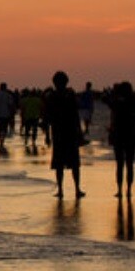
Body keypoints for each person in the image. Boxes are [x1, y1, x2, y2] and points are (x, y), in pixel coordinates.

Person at [45, 71, 85, 199]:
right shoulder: (70, 94)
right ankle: (77, 189)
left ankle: (61, 190)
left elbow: (48, 118)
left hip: (58, 133)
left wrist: (47, 135)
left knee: (59, 164)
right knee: (74, 163)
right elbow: (76, 114)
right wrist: (80, 132)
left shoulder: (51, 96)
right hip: (70, 132)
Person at [108, 81, 135, 197]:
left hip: (119, 136)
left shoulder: (117, 103)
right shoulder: (132, 102)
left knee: (119, 164)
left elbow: (107, 101)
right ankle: (128, 190)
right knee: (130, 164)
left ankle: (119, 190)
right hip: (131, 136)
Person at [0, 82, 16, 152]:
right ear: (5, 88)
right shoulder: (8, 95)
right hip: (6, 114)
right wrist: (12, 114)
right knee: (4, 129)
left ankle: (0, 141)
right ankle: (2, 141)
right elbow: (10, 105)